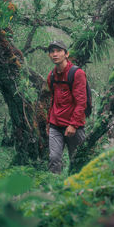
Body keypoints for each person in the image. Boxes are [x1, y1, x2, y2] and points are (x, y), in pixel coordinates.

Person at [46, 40, 87, 174]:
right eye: (52, 51)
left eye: (58, 51)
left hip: (74, 127)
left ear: (66, 54)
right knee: (54, 159)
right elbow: (53, 100)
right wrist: (48, 122)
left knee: (77, 161)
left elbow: (81, 102)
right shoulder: (51, 76)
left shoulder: (76, 73)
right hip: (55, 125)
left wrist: (74, 124)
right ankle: (54, 189)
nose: (55, 54)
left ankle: (78, 190)